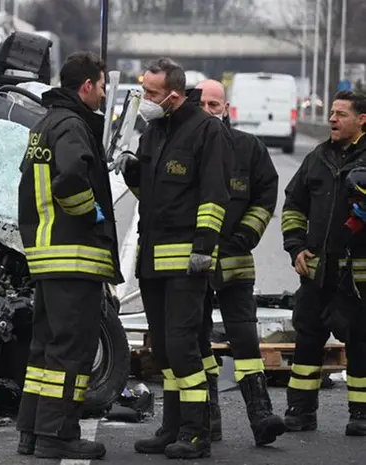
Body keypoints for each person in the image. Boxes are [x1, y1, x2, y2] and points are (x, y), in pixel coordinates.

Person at [112, 58, 232, 459]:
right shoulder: (156, 130)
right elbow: (155, 195)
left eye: (151, 93)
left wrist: (204, 248)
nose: (145, 99)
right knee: (162, 349)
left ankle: (197, 433)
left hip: (185, 262)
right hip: (153, 260)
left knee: (183, 347)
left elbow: (215, 195)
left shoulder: (206, 131)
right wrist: (132, 171)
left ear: (174, 95)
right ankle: (172, 428)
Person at [16, 51, 124, 460]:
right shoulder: (73, 126)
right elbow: (70, 181)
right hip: (74, 256)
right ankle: (59, 435)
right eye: (101, 86)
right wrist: (93, 218)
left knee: (46, 350)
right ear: (86, 86)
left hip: (47, 256)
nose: (102, 93)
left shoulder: (45, 123)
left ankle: (32, 431)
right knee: (72, 352)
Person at [193, 79, 286, 445]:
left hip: (235, 262)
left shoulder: (249, 148)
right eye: (202, 104)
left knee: (245, 339)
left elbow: (266, 195)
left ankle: (261, 415)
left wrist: (246, 235)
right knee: (197, 340)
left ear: (226, 108)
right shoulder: (184, 147)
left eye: (215, 105)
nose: (209, 111)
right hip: (193, 264)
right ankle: (208, 418)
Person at [280, 90, 366, 437]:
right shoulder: (318, 157)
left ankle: (361, 414)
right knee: (308, 338)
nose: (332, 119)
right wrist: (296, 247)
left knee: (361, 342)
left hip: (358, 278)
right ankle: (301, 411)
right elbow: (293, 204)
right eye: (331, 113)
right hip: (316, 272)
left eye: (341, 114)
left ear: (362, 120)